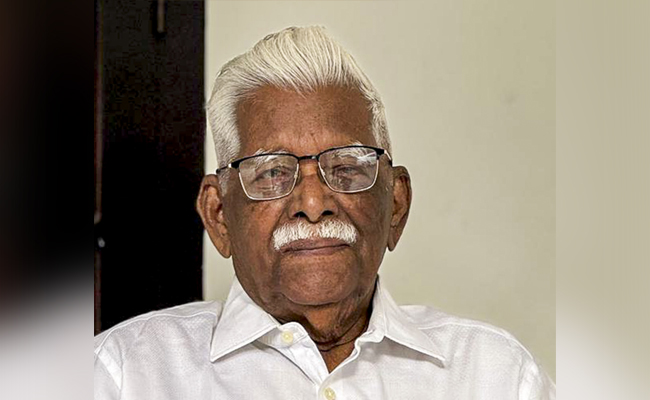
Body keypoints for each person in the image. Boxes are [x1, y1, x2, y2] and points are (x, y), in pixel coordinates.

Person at [94, 26, 555, 399]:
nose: (314, 204)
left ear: (396, 204)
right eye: (272, 172)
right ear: (219, 216)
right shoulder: (124, 375)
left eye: (347, 166)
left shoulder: (497, 377)